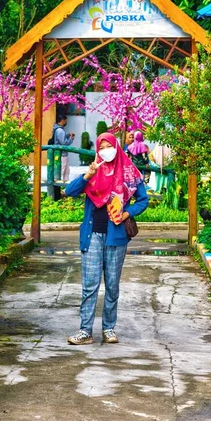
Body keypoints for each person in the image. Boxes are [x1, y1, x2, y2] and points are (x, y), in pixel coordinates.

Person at [65, 132, 149, 345]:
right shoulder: (94, 171)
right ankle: (85, 331)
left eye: (108, 146)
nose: (105, 151)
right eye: (101, 147)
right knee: (90, 285)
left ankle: (109, 328)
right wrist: (87, 175)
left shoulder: (128, 171)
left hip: (116, 237)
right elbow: (69, 191)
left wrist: (127, 213)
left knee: (112, 285)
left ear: (116, 147)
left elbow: (143, 200)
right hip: (92, 235)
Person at [52, 114, 75, 182]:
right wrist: (71, 139)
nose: (66, 122)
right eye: (65, 121)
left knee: (66, 171)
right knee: (61, 170)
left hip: (63, 154)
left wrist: (68, 135)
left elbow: (61, 138)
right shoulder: (60, 130)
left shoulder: (57, 129)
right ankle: (56, 188)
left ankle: (64, 187)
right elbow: (64, 143)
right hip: (62, 154)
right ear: (62, 120)